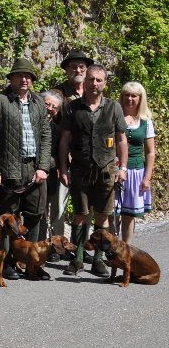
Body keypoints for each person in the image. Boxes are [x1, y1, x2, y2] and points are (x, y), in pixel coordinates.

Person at [0, 58, 52, 279]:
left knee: (34, 215)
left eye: (28, 76)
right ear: (11, 78)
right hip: (8, 170)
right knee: (8, 219)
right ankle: (9, 262)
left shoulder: (38, 102)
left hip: (34, 169)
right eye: (20, 75)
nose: (24, 79)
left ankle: (32, 262)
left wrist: (43, 167)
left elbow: (45, 135)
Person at [58, 64, 128, 277]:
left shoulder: (114, 107)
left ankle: (98, 260)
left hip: (107, 171)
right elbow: (64, 140)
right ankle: (78, 258)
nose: (94, 84)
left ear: (105, 83)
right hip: (80, 169)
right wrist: (63, 168)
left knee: (102, 216)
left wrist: (123, 168)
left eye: (99, 80)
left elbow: (122, 140)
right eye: (91, 79)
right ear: (84, 81)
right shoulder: (72, 107)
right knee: (80, 215)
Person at [49, 50, 94, 240]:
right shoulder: (58, 93)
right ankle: (57, 244)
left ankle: (82, 245)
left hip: (89, 159)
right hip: (65, 158)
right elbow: (52, 128)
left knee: (87, 204)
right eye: (73, 67)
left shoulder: (94, 91)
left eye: (82, 66)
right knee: (58, 204)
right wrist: (61, 164)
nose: (78, 70)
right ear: (66, 70)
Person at [116, 82, 155, 246]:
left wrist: (147, 178)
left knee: (128, 215)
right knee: (111, 213)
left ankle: (126, 249)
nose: (129, 99)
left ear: (140, 99)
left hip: (135, 172)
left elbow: (150, 152)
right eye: (127, 95)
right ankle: (109, 249)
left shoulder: (145, 122)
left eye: (134, 96)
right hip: (114, 170)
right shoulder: (114, 116)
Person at [40, 90, 65, 254]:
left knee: (49, 209)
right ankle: (39, 244)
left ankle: (54, 247)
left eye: (54, 107)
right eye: (47, 104)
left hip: (51, 173)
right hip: (32, 172)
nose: (49, 108)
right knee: (38, 210)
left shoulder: (57, 129)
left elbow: (59, 152)